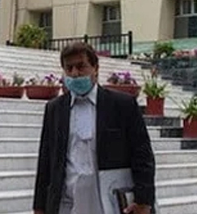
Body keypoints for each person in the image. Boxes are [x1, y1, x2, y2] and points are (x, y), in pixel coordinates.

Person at [33, 42, 155, 214]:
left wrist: (144, 200)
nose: (75, 73)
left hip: (106, 203)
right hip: (67, 203)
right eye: (69, 68)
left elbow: (142, 154)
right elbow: (46, 159)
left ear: (95, 68)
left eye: (81, 66)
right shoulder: (55, 109)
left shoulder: (122, 105)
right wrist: (39, 207)